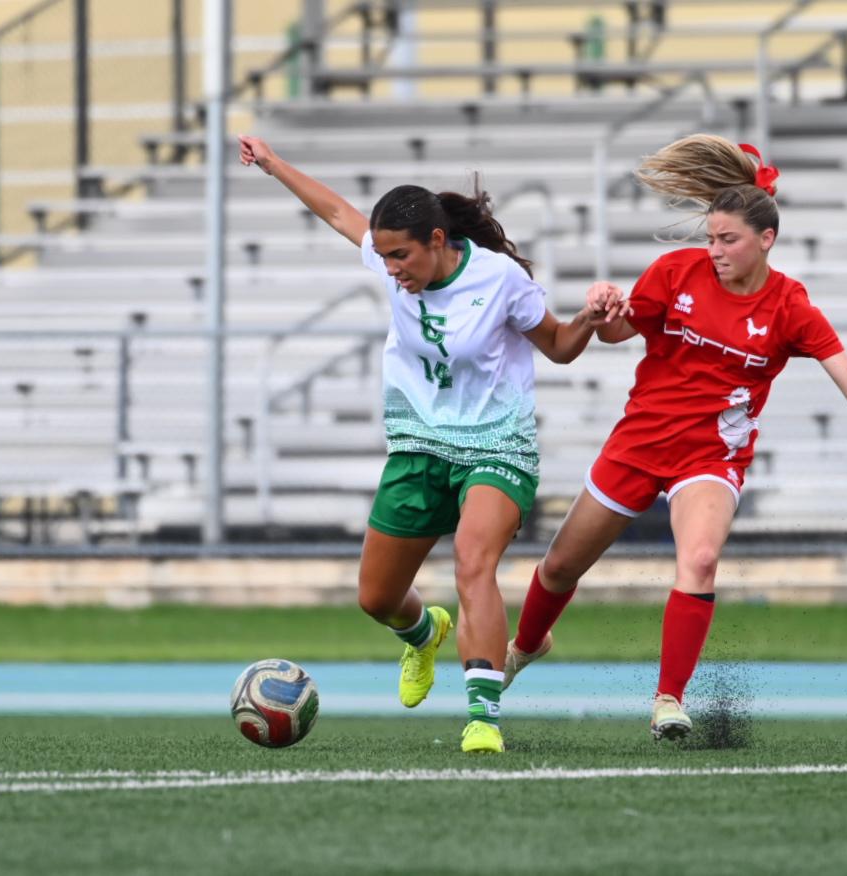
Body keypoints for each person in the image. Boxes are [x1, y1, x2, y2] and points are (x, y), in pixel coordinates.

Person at [502, 134, 847, 741]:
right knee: (559, 567)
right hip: (640, 441)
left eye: (727, 239)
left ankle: (667, 700)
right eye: (710, 237)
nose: (714, 250)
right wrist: (605, 310)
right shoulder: (675, 272)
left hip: (711, 455)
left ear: (766, 239)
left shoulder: (790, 305)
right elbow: (616, 333)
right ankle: (526, 646)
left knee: (701, 560)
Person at [238, 134, 628, 753]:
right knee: (376, 598)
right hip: (418, 445)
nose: (391, 269)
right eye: (384, 257)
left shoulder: (499, 279)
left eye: (401, 257)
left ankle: (482, 718)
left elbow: (556, 346)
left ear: (437, 243)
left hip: (496, 446)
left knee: (473, 562)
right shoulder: (392, 262)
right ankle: (424, 634)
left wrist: (588, 321)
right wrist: (272, 163)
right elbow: (340, 212)